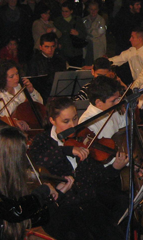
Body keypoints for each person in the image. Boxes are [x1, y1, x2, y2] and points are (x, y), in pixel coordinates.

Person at [28, 97, 127, 239]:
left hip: (87, 201)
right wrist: (66, 150)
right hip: (61, 207)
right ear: (52, 121)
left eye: (75, 119)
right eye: (66, 121)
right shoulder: (42, 141)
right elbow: (37, 162)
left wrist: (115, 168)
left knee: (114, 232)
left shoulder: (81, 137)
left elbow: (96, 175)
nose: (73, 125)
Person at [0, 126, 74, 239]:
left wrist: (56, 197)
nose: (24, 158)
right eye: (22, 153)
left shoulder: (3, 180)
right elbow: (14, 212)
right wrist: (42, 191)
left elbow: (26, 220)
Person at [0, 59, 43, 129]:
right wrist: (13, 121)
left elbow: (40, 104)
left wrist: (31, 92)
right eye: (11, 76)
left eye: (17, 73)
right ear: (2, 78)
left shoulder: (21, 87)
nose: (16, 78)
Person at [27, 32, 68, 99]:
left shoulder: (60, 59)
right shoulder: (34, 62)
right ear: (40, 47)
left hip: (58, 94)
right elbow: (33, 83)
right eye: (47, 47)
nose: (50, 50)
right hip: (42, 95)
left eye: (52, 46)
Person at [54, 1, 88, 67]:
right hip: (63, 51)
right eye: (62, 11)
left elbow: (84, 34)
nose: (64, 13)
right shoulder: (57, 21)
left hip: (75, 51)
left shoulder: (77, 20)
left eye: (66, 11)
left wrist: (78, 33)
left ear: (71, 11)